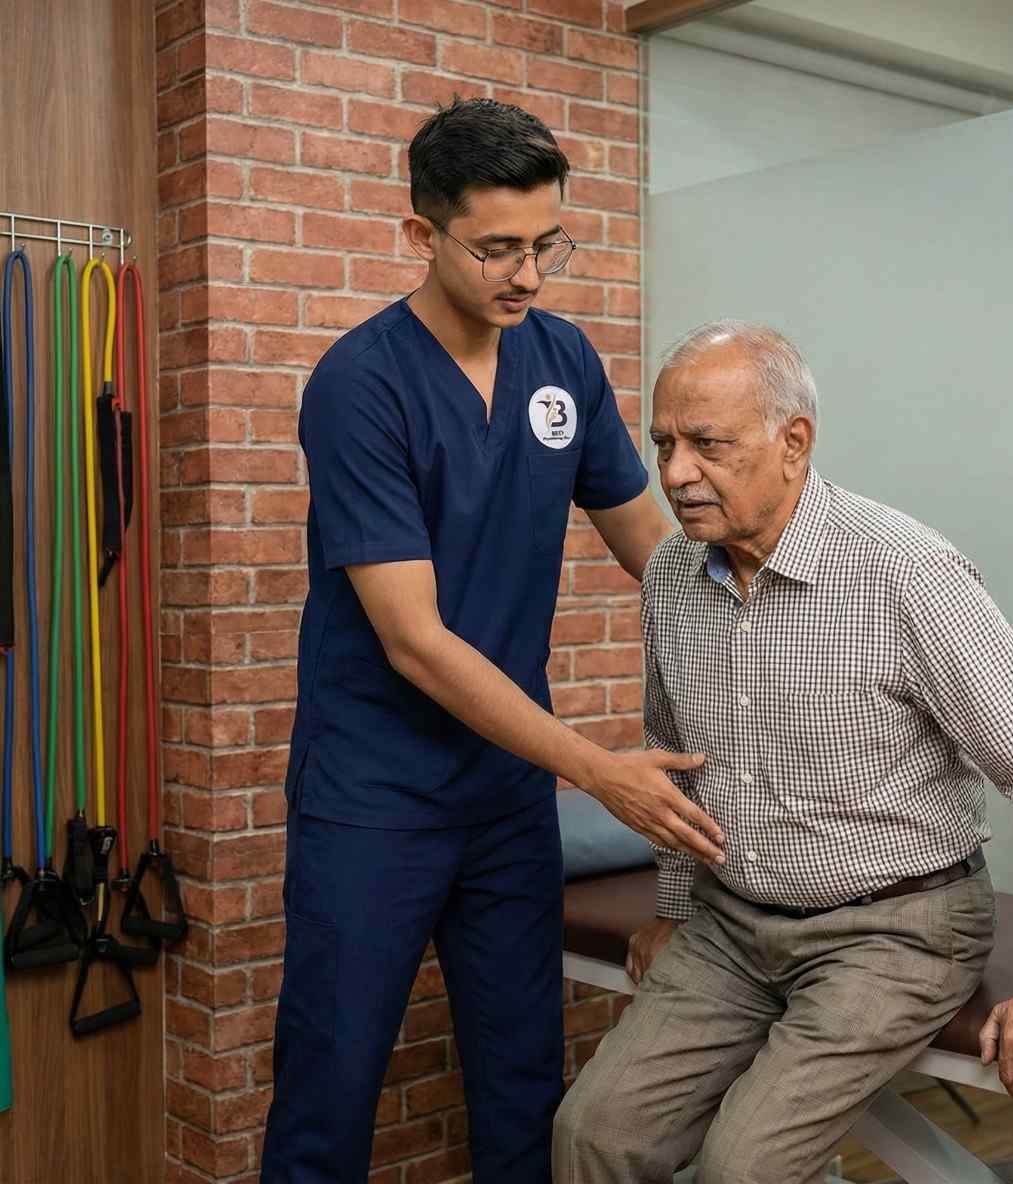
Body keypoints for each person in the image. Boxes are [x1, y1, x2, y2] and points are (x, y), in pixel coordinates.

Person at [260, 99, 726, 1184]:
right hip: (372, 798)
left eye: (545, 243)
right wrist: (596, 768)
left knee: (524, 1087)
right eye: (498, 248)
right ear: (422, 236)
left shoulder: (558, 357)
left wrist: (762, 619)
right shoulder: (359, 385)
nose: (527, 274)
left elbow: (648, 542)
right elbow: (414, 641)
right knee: (329, 1092)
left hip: (503, 799)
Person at [553, 321, 1013, 1183]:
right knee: (593, 1134)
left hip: (897, 930)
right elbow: (675, 755)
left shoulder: (903, 572)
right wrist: (674, 902)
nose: (673, 475)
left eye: (708, 444)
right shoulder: (672, 575)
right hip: (731, 926)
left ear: (794, 442)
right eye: (664, 444)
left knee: (744, 1170)